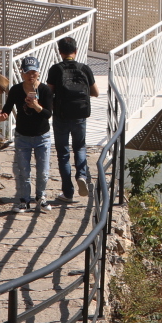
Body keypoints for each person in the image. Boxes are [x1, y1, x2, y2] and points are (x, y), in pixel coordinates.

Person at [45, 36, 99, 204]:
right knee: (80, 147)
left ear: (60, 52)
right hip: (80, 116)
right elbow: (96, 92)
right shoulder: (85, 68)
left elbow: (48, 92)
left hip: (61, 116)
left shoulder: (55, 69)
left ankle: (68, 193)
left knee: (63, 154)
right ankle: (82, 175)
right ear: (76, 51)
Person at [0, 57, 55, 210]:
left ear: (38, 72)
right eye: (27, 72)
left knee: (43, 171)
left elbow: (48, 114)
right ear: (22, 73)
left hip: (42, 136)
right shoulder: (16, 90)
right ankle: (24, 200)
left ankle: (41, 197)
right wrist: (0, 116)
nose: (31, 75)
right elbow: (7, 107)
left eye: (34, 72)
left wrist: (36, 106)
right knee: (24, 171)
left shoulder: (45, 90)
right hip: (22, 136)